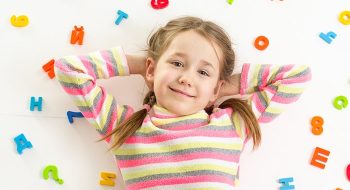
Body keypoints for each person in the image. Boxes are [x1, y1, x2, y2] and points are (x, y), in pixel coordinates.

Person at [54, 16, 311, 189]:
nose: (187, 78)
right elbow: (69, 70)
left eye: (203, 72)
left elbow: (297, 77)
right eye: (177, 63)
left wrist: (220, 88)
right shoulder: (124, 127)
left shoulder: (232, 125)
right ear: (152, 69)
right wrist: (141, 66)